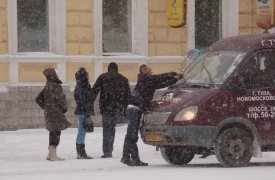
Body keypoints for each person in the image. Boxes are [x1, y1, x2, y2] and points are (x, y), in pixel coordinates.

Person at [121, 64, 182, 166]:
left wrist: (175, 80)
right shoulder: (144, 78)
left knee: (130, 135)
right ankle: (133, 159)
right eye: (149, 70)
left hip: (135, 108)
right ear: (144, 71)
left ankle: (126, 157)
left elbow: (162, 84)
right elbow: (159, 78)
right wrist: (174, 74)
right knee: (132, 135)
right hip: (134, 109)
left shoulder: (148, 81)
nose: (151, 71)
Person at [92, 62, 130, 158]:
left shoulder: (103, 77)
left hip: (106, 107)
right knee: (112, 129)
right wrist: (124, 107)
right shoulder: (123, 79)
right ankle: (109, 149)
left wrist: (88, 103)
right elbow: (127, 95)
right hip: (117, 107)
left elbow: (94, 91)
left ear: (108, 68)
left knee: (106, 129)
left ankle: (107, 151)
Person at [43, 68, 71, 161]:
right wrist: (64, 108)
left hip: (49, 112)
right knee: (56, 132)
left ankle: (50, 153)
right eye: (57, 74)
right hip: (56, 113)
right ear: (53, 75)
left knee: (52, 131)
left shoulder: (47, 85)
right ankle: (53, 154)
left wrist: (46, 107)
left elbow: (40, 98)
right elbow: (62, 100)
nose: (58, 76)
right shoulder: (56, 87)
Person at [74, 67, 95, 159]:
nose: (88, 76)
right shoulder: (82, 86)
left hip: (83, 111)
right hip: (83, 111)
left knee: (82, 132)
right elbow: (82, 100)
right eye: (87, 75)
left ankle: (81, 152)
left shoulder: (82, 85)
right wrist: (86, 110)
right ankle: (81, 153)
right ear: (84, 76)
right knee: (81, 132)